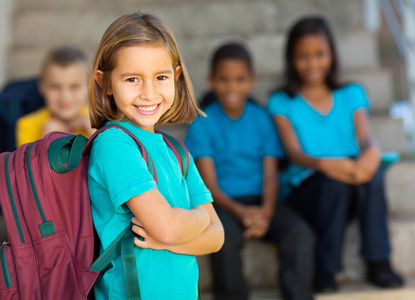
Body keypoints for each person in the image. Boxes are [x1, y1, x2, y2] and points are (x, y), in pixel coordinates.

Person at [87, 13, 224, 300]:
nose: (149, 93)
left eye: (160, 77)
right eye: (132, 79)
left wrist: (169, 242)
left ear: (175, 76)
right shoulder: (114, 144)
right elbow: (169, 227)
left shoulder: (177, 150)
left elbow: (217, 236)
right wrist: (198, 217)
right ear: (106, 83)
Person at [267, 16, 404, 293]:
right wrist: (326, 164)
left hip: (349, 180)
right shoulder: (282, 101)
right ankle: (325, 269)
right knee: (333, 182)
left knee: (372, 175)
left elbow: (366, 139)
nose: (313, 63)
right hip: (307, 189)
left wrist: (371, 155)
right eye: (303, 56)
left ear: (332, 55)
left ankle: (379, 261)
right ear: (291, 59)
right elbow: (293, 153)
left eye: (320, 54)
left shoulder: (351, 94)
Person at [185, 43, 315, 300]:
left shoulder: (262, 119)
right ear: (211, 80)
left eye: (240, 79)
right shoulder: (202, 124)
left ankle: (299, 295)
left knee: (299, 232)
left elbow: (270, 175)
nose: (232, 87)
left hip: (262, 199)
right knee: (223, 236)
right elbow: (208, 184)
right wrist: (241, 212)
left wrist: (265, 211)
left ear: (252, 81)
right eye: (224, 80)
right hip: (223, 203)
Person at [15, 46, 95, 147]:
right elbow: (26, 163)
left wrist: (95, 135)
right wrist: (45, 139)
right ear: (41, 87)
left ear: (89, 87)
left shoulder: (99, 122)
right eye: (55, 87)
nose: (65, 96)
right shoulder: (27, 125)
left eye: (74, 87)